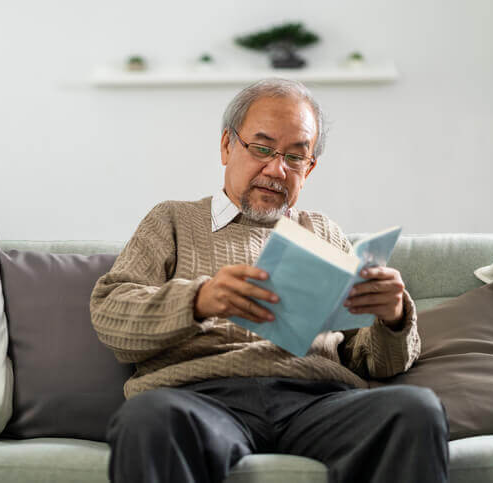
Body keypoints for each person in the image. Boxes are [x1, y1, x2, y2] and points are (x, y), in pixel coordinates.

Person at [90, 78, 449, 483]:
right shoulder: (172, 220)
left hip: (317, 401)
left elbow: (372, 362)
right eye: (262, 149)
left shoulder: (324, 232)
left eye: (296, 157)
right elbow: (111, 315)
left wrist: (394, 317)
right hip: (200, 400)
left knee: (415, 409)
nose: (276, 169)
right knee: (148, 418)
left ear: (309, 168)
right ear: (227, 146)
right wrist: (199, 300)